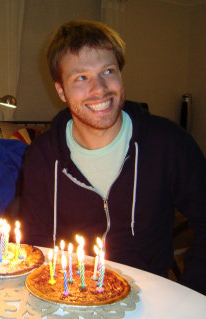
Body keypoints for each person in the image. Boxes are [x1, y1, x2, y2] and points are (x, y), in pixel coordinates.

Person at [20, 20, 206, 294]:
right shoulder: (42, 157)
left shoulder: (169, 144)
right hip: (68, 300)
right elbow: (36, 244)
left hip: (147, 302)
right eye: (81, 77)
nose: (99, 89)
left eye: (108, 71)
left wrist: (191, 293)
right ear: (61, 91)